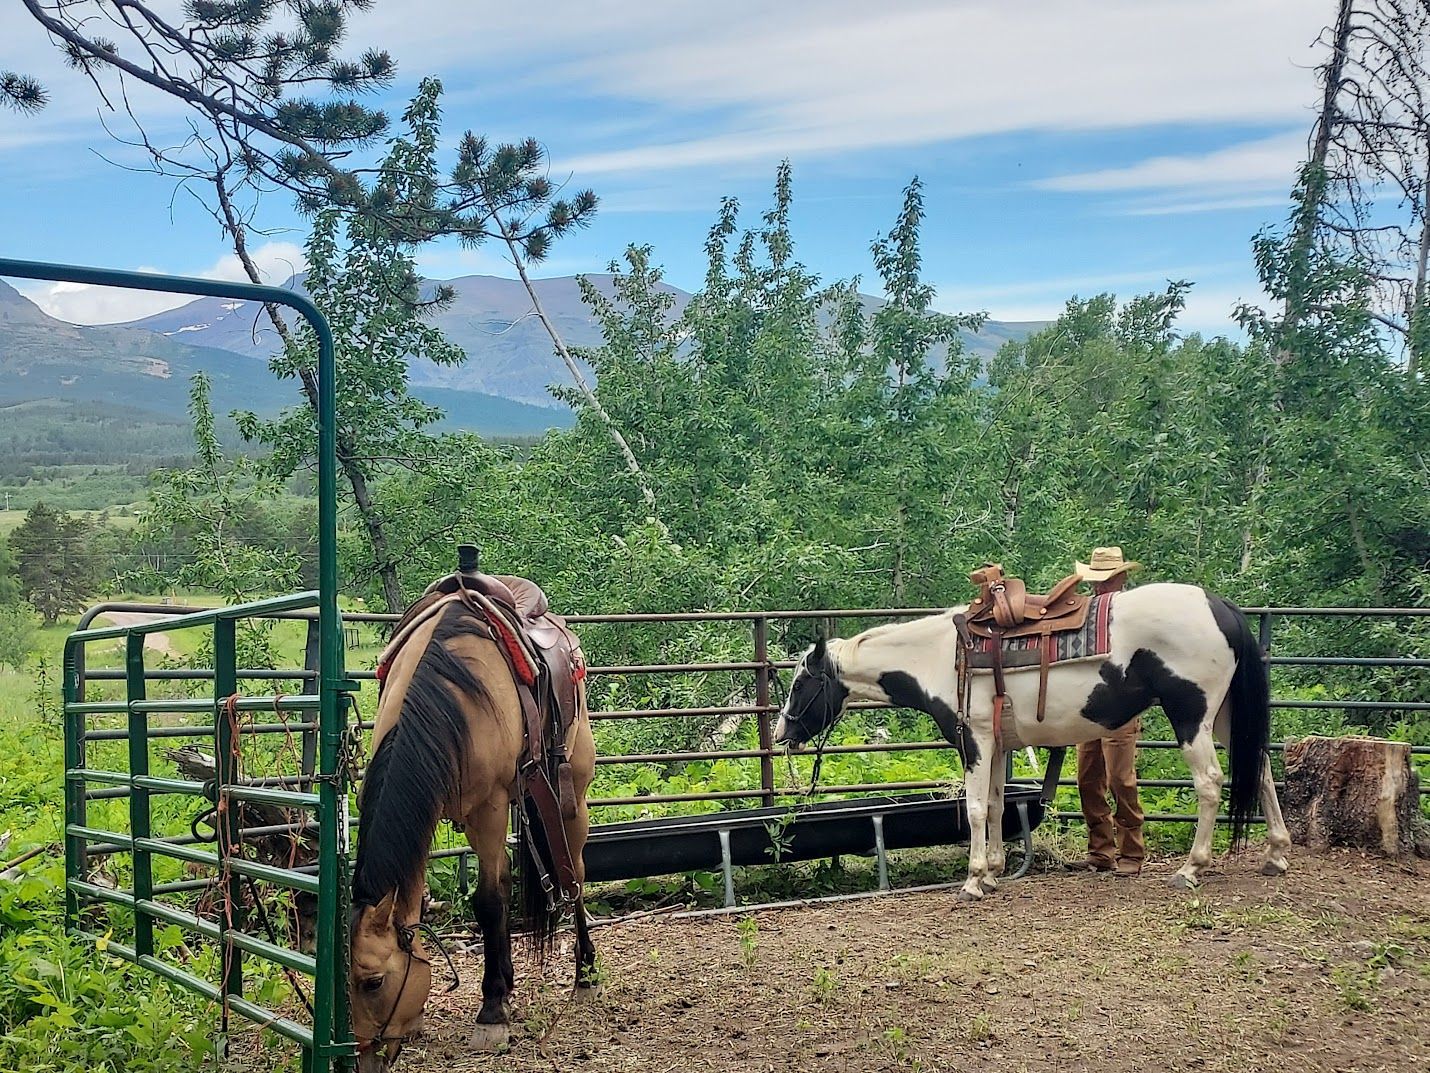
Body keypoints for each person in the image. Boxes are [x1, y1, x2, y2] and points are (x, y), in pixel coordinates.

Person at [1071, 546, 1145, 877]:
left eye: (1108, 580)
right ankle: (1100, 850)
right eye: (1099, 581)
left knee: (1120, 778)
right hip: (1090, 705)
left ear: (1121, 578)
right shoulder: (1086, 613)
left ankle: (1132, 849)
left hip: (1123, 704)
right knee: (1088, 778)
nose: (1101, 587)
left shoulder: (1133, 614)